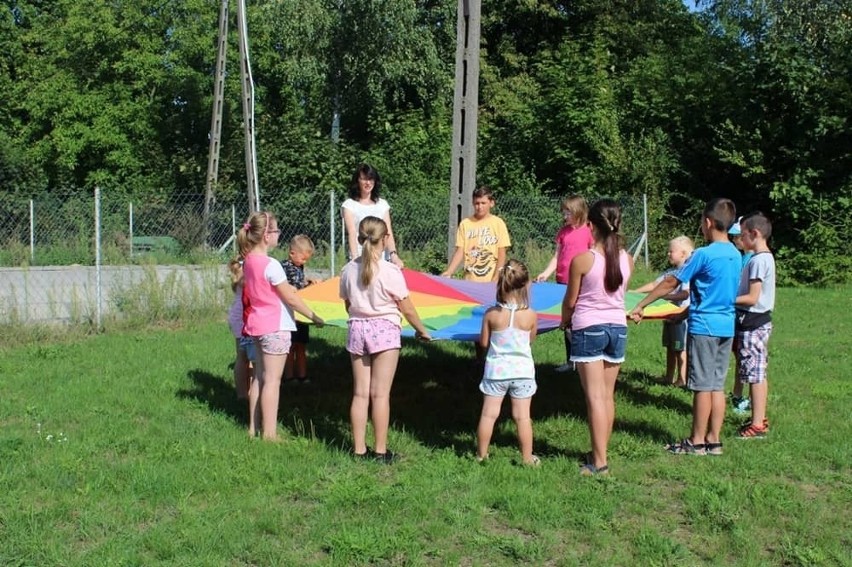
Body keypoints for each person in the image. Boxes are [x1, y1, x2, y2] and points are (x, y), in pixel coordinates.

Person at [630, 198, 740, 457]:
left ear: (708, 222)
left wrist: (643, 304)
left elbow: (670, 282)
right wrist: (684, 314)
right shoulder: (736, 255)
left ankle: (696, 441)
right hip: (727, 326)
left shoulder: (703, 254)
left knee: (701, 386)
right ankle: (714, 441)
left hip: (704, 328)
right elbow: (717, 293)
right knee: (716, 385)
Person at [339, 216, 432, 463]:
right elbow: (407, 307)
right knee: (380, 395)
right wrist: (422, 330)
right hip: (385, 331)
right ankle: (380, 451)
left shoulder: (348, 270)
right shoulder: (390, 272)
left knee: (360, 394)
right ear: (386, 239)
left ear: (360, 238)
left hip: (357, 329)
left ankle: (358, 450)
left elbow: (348, 303)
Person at [560, 199, 633, 476]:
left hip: (588, 328)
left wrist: (565, 320)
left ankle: (599, 462)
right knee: (607, 396)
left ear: (590, 226)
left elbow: (570, 300)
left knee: (594, 398)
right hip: (617, 328)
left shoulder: (583, 260)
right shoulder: (627, 259)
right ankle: (600, 451)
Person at [238, 211, 324, 441]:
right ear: (266, 236)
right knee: (273, 381)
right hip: (275, 327)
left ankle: (253, 428)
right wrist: (313, 316)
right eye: (276, 231)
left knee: (259, 377)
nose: (278, 235)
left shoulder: (248, 261)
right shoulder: (272, 264)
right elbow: (291, 298)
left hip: (256, 325)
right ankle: (270, 434)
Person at [476, 259, 539, 466]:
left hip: (496, 372)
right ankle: (527, 458)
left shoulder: (491, 314)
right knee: (522, 417)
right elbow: (530, 339)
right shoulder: (530, 315)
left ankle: (481, 455)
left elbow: (484, 342)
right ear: (524, 286)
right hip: (523, 372)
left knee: (488, 414)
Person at [534, 195, 594, 373]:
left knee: (579, 322)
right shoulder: (563, 232)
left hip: (581, 284)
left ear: (578, 212)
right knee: (566, 322)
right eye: (564, 212)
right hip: (561, 283)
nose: (564, 216)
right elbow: (557, 256)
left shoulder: (589, 231)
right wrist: (545, 273)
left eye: (568, 212)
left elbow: (594, 257)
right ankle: (571, 361)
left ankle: (583, 361)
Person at [733, 212, 776, 439]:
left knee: (755, 374)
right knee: (755, 371)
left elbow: (752, 297)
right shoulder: (763, 258)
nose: (740, 239)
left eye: (742, 235)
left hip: (754, 323)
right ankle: (757, 419)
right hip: (755, 323)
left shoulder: (759, 260)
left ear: (755, 234)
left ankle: (757, 424)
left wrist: (726, 298)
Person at [633, 236, 694, 387]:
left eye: (671, 251)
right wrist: (634, 292)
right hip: (668, 316)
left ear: (683, 254)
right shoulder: (670, 272)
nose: (668, 254)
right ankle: (668, 377)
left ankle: (682, 378)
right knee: (670, 347)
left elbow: (686, 293)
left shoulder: (686, 272)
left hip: (681, 316)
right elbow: (655, 284)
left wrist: (666, 295)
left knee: (680, 349)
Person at [441, 186, 511, 283]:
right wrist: (449, 272)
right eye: (477, 203)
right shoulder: (465, 224)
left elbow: (501, 253)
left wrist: (497, 277)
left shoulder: (498, 223)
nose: (480, 207)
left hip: (491, 280)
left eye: (483, 203)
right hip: (470, 280)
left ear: (491, 203)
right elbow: (460, 251)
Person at [341, 163, 404, 267]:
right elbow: (352, 233)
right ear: (357, 180)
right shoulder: (349, 205)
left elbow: (388, 231)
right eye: (364, 179)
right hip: (361, 257)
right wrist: (355, 259)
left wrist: (394, 255)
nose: (368, 183)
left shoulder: (382, 204)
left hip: (381, 258)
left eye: (371, 179)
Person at [280, 234, 322, 385]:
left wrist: (307, 281)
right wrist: (309, 286)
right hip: (290, 314)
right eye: (303, 259)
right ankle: (289, 377)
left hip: (301, 314)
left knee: (301, 345)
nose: (304, 262)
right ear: (292, 253)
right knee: (290, 346)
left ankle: (302, 376)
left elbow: (299, 281)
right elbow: (295, 289)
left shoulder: (298, 266)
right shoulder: (285, 268)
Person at [728, 217, 755, 414]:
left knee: (746, 360)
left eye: (736, 237)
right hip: (737, 315)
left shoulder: (752, 259)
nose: (735, 241)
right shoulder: (741, 257)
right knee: (739, 358)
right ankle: (737, 394)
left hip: (746, 315)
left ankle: (742, 397)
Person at [226, 257, 253, 401]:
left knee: (246, 356)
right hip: (241, 320)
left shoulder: (240, 279)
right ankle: (243, 394)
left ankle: (247, 391)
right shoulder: (243, 280)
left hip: (240, 318)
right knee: (243, 356)